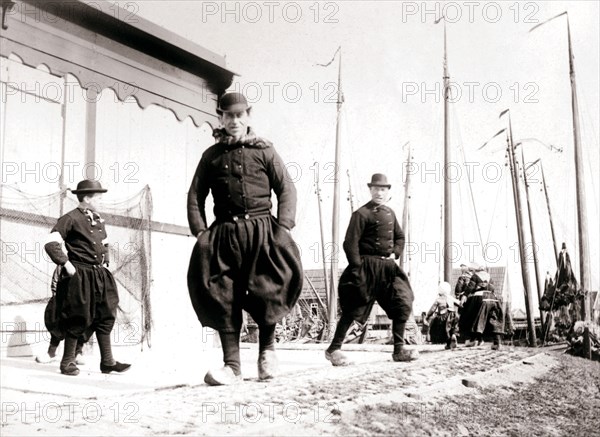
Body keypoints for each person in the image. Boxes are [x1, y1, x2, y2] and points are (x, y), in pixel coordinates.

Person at [187, 92, 303, 386]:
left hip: (262, 231)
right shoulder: (211, 157)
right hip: (224, 234)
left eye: (239, 115)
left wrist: (284, 226)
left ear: (248, 116)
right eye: (228, 116)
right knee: (222, 293)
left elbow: (286, 188)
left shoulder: (265, 151)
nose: (234, 121)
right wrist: (201, 231)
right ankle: (232, 366)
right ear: (221, 118)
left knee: (268, 289)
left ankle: (267, 354)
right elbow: (195, 195)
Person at [325, 173, 418, 365]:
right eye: (376, 189)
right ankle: (333, 350)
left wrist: (396, 253)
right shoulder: (361, 214)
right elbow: (350, 244)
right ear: (370, 190)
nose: (379, 192)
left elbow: (400, 237)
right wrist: (358, 268)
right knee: (353, 308)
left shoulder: (390, 213)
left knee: (402, 302)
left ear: (387, 192)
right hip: (366, 267)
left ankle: (399, 351)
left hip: (388, 268)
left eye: (383, 189)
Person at [44, 179, 131, 376]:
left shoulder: (98, 219)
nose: (101, 201)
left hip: (99, 274)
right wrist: (66, 263)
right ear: (88, 198)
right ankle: (67, 363)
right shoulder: (70, 218)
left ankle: (107, 361)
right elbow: (51, 243)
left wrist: (106, 259)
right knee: (78, 316)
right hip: (80, 274)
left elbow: (105, 242)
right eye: (99, 197)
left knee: (106, 313)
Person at [35, 265, 87, 365]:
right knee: (57, 325)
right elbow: (56, 279)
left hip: (80, 300)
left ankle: (78, 353)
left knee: (80, 325)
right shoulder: (64, 263)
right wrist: (56, 296)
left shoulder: (86, 264)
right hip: (63, 299)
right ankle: (51, 353)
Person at [459, 267, 504, 350]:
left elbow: (471, 287)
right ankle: (497, 342)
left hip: (480, 298)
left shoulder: (475, 276)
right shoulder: (489, 276)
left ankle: (473, 339)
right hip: (492, 298)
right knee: (493, 319)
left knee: (472, 316)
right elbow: (492, 288)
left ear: (476, 269)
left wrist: (465, 295)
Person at [426, 281, 460, 349]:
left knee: (444, 330)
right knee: (452, 328)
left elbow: (432, 309)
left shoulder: (438, 299)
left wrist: (428, 315)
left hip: (443, 316)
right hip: (453, 315)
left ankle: (448, 343)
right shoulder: (451, 298)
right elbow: (459, 304)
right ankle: (453, 335)